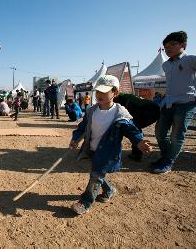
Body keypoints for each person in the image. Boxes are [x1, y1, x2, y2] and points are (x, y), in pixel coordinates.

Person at [69, 75, 151, 215]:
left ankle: (86, 202)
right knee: (97, 172)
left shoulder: (120, 114)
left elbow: (132, 130)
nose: (99, 94)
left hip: (108, 153)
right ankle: (109, 190)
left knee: (95, 175)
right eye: (98, 91)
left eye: (104, 91)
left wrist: (139, 141)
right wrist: (75, 139)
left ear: (115, 92)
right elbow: (82, 128)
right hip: (92, 149)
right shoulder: (92, 111)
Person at [153, 31, 196, 174]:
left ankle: (168, 161)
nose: (168, 48)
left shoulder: (190, 60)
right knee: (159, 132)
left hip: (186, 103)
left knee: (177, 135)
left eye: (172, 44)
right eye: (166, 46)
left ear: (183, 45)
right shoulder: (166, 65)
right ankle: (166, 156)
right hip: (168, 103)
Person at [114, 92, 160, 161]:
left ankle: (137, 154)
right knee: (135, 128)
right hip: (153, 109)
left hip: (148, 110)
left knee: (134, 128)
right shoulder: (123, 95)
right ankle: (137, 153)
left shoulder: (118, 99)